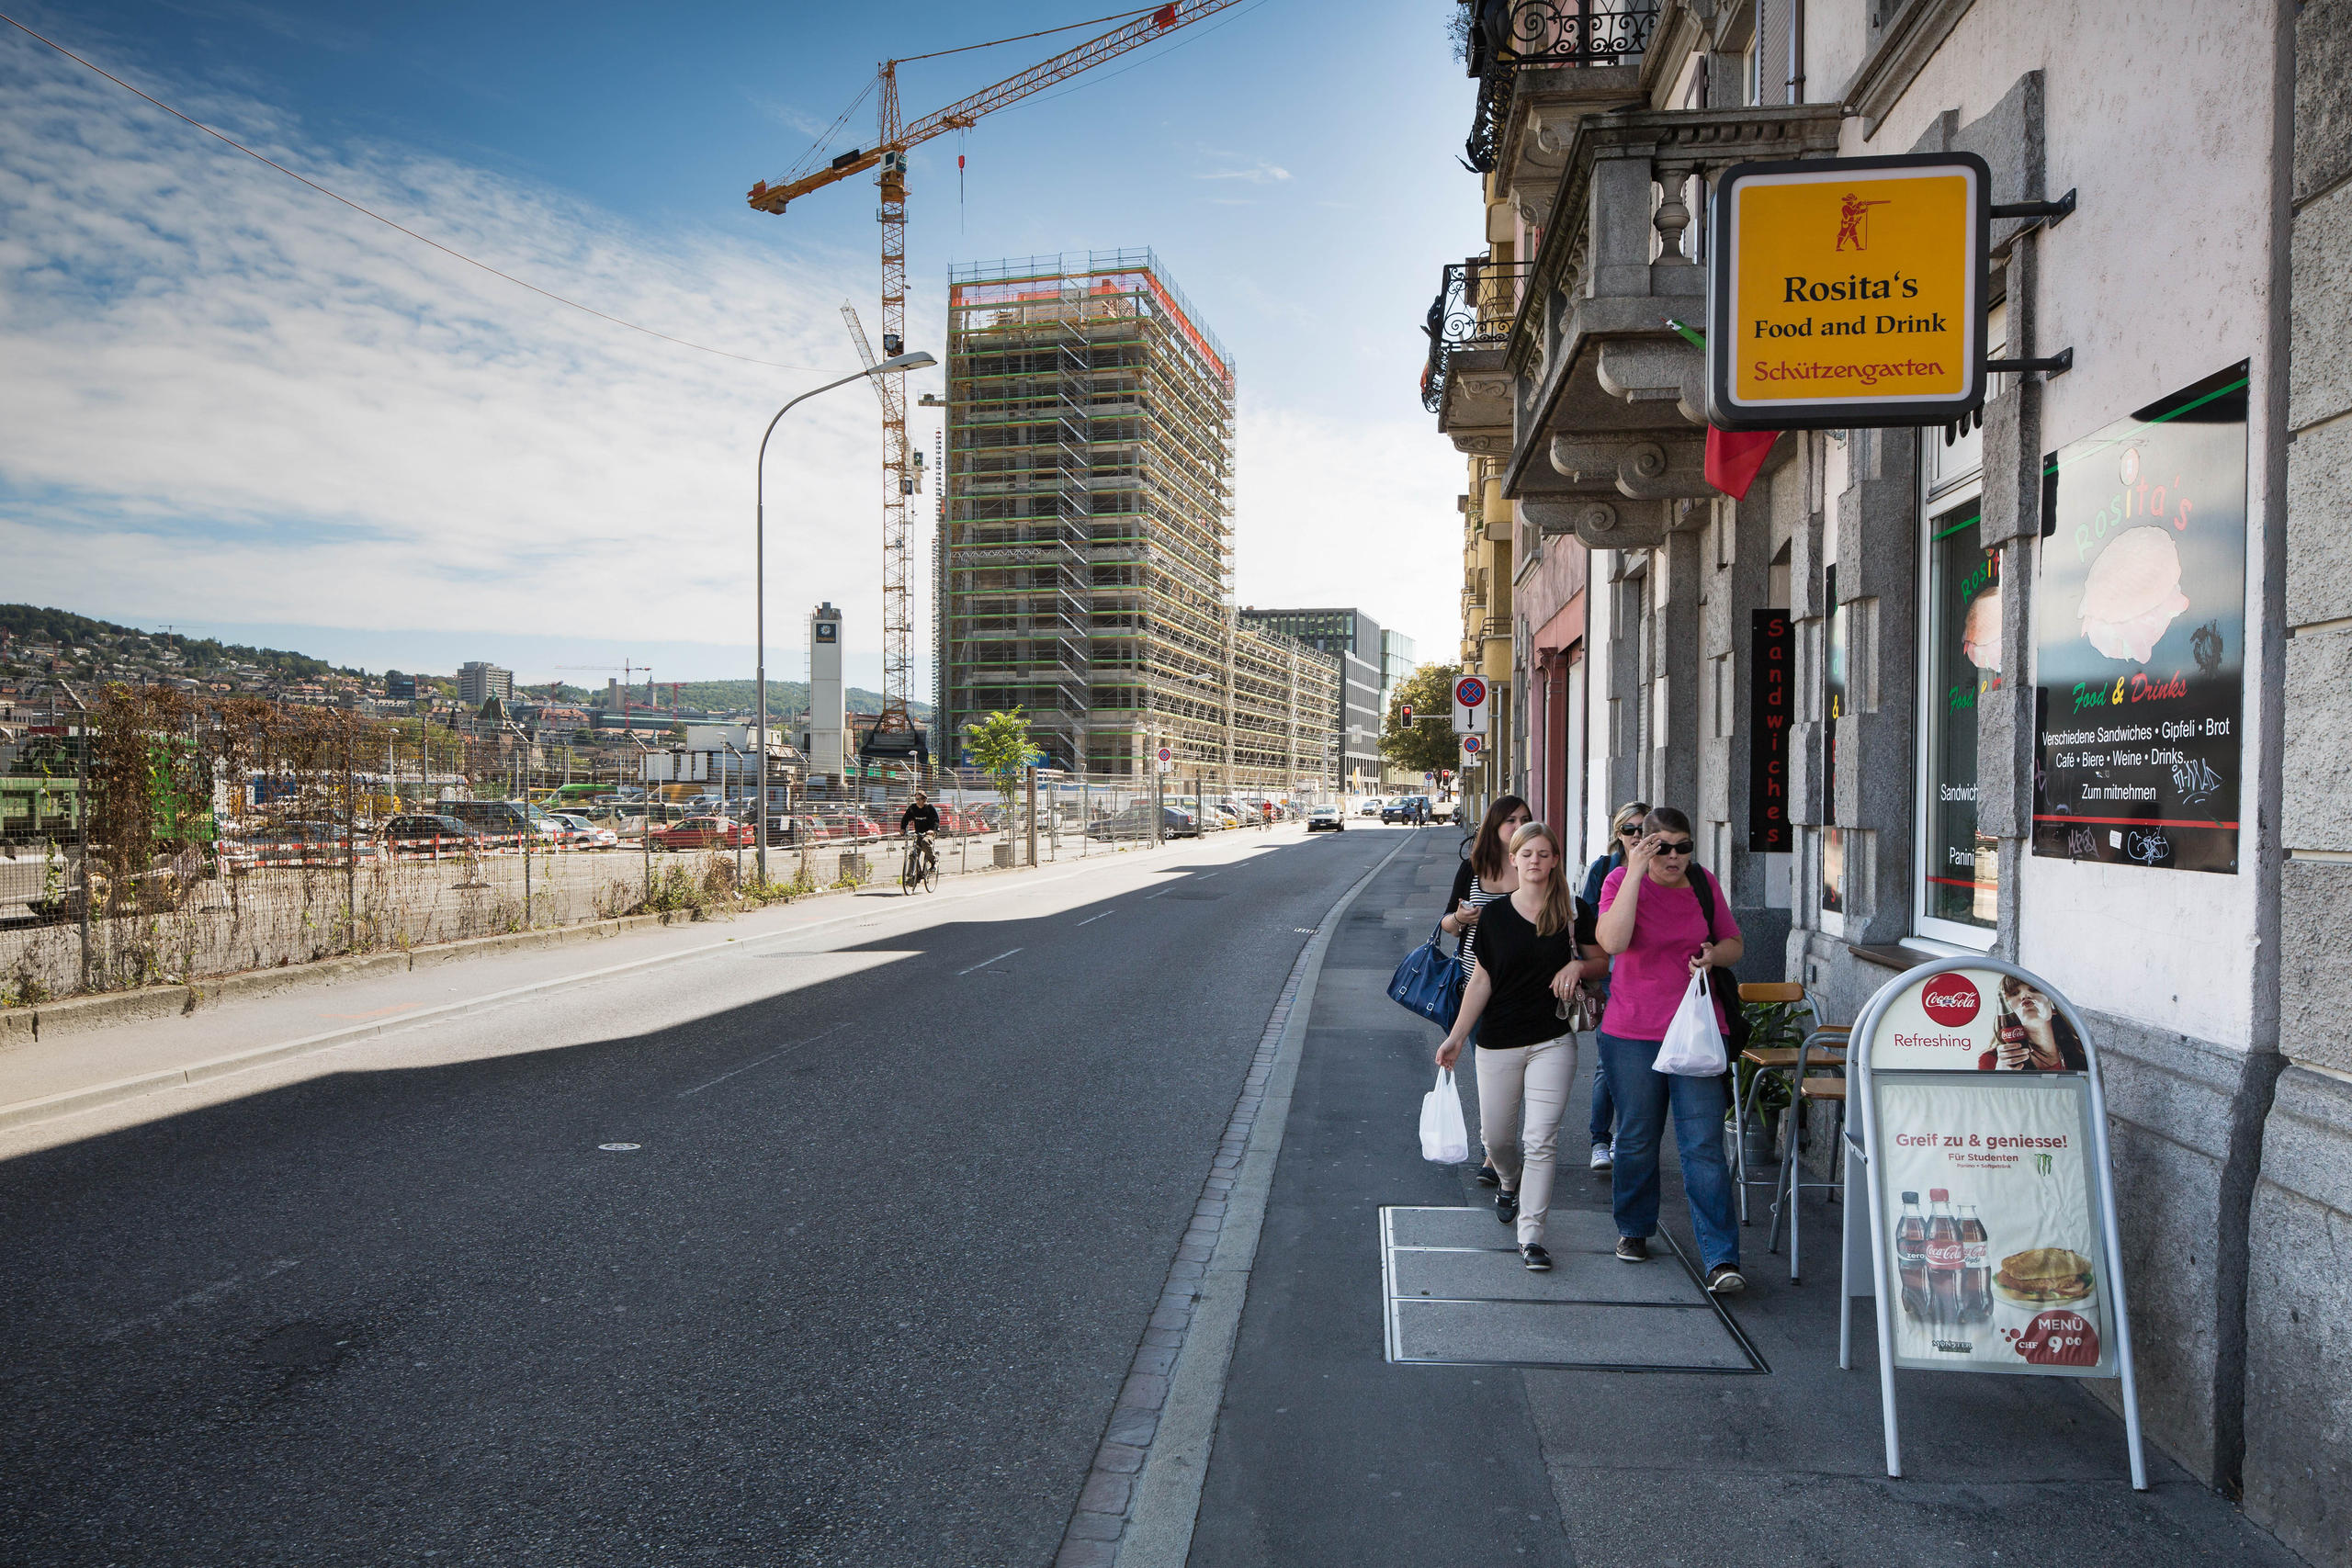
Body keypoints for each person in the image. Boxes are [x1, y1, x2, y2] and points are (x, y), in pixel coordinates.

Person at [1593, 806, 1747, 1294]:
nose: (1675, 856)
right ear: (1643, 844)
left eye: (1683, 847)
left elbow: (1734, 943)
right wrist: (1637, 870)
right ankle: (1635, 1229)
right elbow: (1612, 942)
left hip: (1699, 1029)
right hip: (1633, 1030)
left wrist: (1712, 956)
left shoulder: (1703, 883)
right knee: (1638, 1136)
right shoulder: (1619, 881)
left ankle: (1721, 1257)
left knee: (1702, 1143)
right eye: (1664, 847)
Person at [1436, 822, 1602, 1271]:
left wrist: (1577, 968)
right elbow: (1481, 980)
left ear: (1555, 861)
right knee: (1497, 1138)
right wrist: (1455, 1036)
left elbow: (1602, 959)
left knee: (1541, 1140)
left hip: (1552, 1040)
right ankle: (1509, 1180)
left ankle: (1532, 1236)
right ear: (1513, 858)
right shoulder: (1493, 916)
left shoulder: (1572, 910)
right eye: (1527, 854)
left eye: (1545, 854)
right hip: (1497, 1041)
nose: (1535, 862)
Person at [1442, 796, 1529, 1190]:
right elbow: (1446, 923)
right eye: (1509, 820)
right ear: (1494, 827)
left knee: (1517, 1075)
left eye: (1525, 820)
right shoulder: (1473, 870)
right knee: (1488, 1073)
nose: (1517, 826)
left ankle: (1499, 1151)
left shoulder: (1533, 867)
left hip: (1523, 989)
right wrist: (1461, 917)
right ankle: (1493, 1150)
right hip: (1473, 987)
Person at [1576, 802, 1649, 1172]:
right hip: (1610, 977)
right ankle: (1600, 1141)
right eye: (1629, 829)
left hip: (1648, 981)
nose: (1637, 835)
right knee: (1609, 1062)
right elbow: (1589, 925)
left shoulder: (1664, 869)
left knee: (1641, 1066)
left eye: (1643, 829)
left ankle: (1625, 1137)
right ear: (1618, 834)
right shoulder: (1604, 870)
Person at [899, 792, 941, 875]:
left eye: (919, 799)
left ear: (924, 800)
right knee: (914, 852)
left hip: (929, 833)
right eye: (916, 799)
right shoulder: (913, 808)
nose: (917, 801)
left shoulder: (929, 808)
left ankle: (934, 862)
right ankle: (912, 876)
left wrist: (932, 830)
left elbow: (936, 820)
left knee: (925, 842)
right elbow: (905, 819)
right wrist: (903, 829)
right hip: (918, 833)